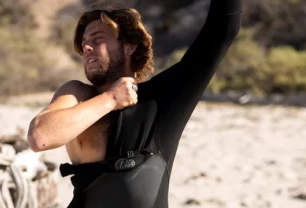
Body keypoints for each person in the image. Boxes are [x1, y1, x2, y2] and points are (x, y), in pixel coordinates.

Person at [27, 0, 242, 207]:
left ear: (129, 47)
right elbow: (40, 138)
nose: (87, 48)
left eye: (97, 39)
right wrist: (111, 99)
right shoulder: (77, 95)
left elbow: (222, 29)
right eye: (84, 44)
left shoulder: (162, 99)